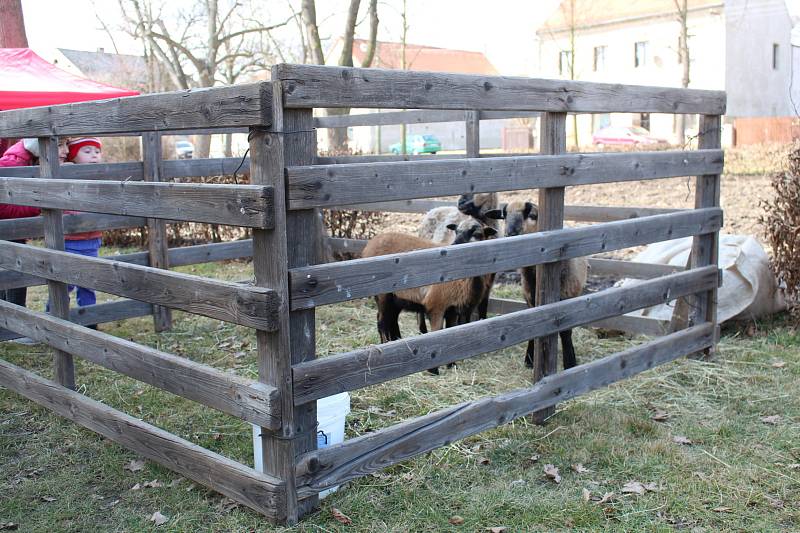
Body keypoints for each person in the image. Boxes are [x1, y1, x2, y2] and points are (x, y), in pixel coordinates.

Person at [0, 138, 69, 343]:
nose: (66, 150)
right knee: (12, 277)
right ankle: (12, 329)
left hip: (14, 233)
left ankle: (12, 327)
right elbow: (4, 207)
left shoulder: (31, 161)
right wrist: (42, 204)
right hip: (6, 232)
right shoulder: (11, 164)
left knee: (16, 276)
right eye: (60, 145)